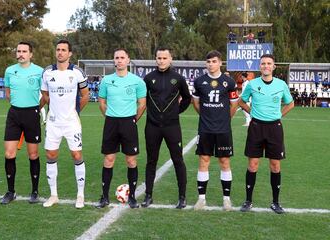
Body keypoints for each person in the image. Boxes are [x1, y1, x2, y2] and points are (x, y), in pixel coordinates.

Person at [238, 54, 294, 214]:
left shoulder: (281, 84)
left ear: (274, 66)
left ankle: (275, 202)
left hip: (274, 128)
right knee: (253, 164)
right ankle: (248, 201)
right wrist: (252, 112)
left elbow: (290, 103)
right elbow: (242, 101)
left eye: (269, 63)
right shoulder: (252, 84)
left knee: (275, 165)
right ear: (259, 66)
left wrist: (279, 115)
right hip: (256, 127)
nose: (266, 66)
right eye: (263, 63)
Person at [95, 48, 147, 209]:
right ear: (114, 60)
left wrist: (133, 119)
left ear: (128, 60)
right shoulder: (106, 80)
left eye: (122, 57)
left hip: (128, 123)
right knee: (109, 159)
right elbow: (102, 102)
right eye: (116, 57)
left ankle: (131, 197)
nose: (119, 60)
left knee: (131, 160)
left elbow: (142, 104)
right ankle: (104, 196)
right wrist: (109, 116)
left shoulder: (137, 81)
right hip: (111, 122)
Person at [41, 39, 89, 208]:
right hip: (53, 123)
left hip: (71, 123)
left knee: (76, 155)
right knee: (50, 155)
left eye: (63, 50)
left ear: (70, 54)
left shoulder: (77, 72)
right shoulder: (47, 72)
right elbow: (45, 95)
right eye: (58, 49)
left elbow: (85, 96)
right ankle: (54, 195)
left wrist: (74, 112)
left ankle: (80, 195)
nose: (60, 52)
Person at [141, 47, 191, 209]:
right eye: (159, 58)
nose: (161, 61)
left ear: (170, 59)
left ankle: (182, 197)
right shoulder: (148, 78)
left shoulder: (178, 78)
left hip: (172, 126)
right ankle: (148, 195)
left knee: (178, 161)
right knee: (151, 161)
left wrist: (176, 112)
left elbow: (187, 99)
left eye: (164, 58)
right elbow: (143, 99)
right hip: (152, 127)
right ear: (156, 59)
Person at [192, 50, 239, 211]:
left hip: (223, 129)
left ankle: (226, 199)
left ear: (220, 63)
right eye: (208, 61)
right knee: (203, 160)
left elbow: (234, 105)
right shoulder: (199, 82)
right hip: (205, 128)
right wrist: (206, 116)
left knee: (224, 161)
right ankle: (201, 199)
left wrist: (225, 119)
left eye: (214, 61)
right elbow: (196, 104)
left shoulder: (229, 82)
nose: (211, 64)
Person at [0, 41, 44, 204]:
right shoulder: (10, 71)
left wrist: (36, 108)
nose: (20, 54)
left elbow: (45, 95)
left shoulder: (39, 71)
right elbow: (8, 92)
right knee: (9, 153)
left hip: (32, 113)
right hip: (14, 114)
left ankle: (34, 191)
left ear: (31, 54)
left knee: (33, 154)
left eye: (24, 51)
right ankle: (10, 192)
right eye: (18, 51)